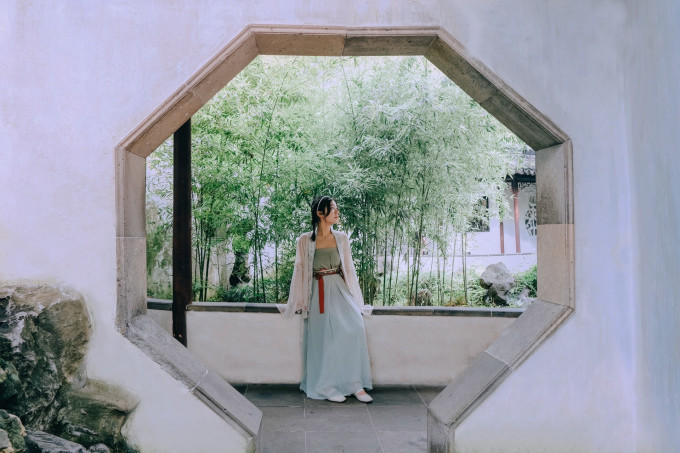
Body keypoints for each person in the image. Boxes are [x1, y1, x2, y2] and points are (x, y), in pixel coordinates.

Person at [280, 196, 373, 403]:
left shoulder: (342, 238)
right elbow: (299, 272)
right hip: (318, 291)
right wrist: (297, 302)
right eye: (333, 209)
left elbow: (349, 269)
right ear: (320, 213)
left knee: (355, 328)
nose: (337, 213)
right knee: (324, 339)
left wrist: (356, 299)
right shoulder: (305, 240)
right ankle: (327, 386)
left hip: (339, 289)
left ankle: (355, 384)